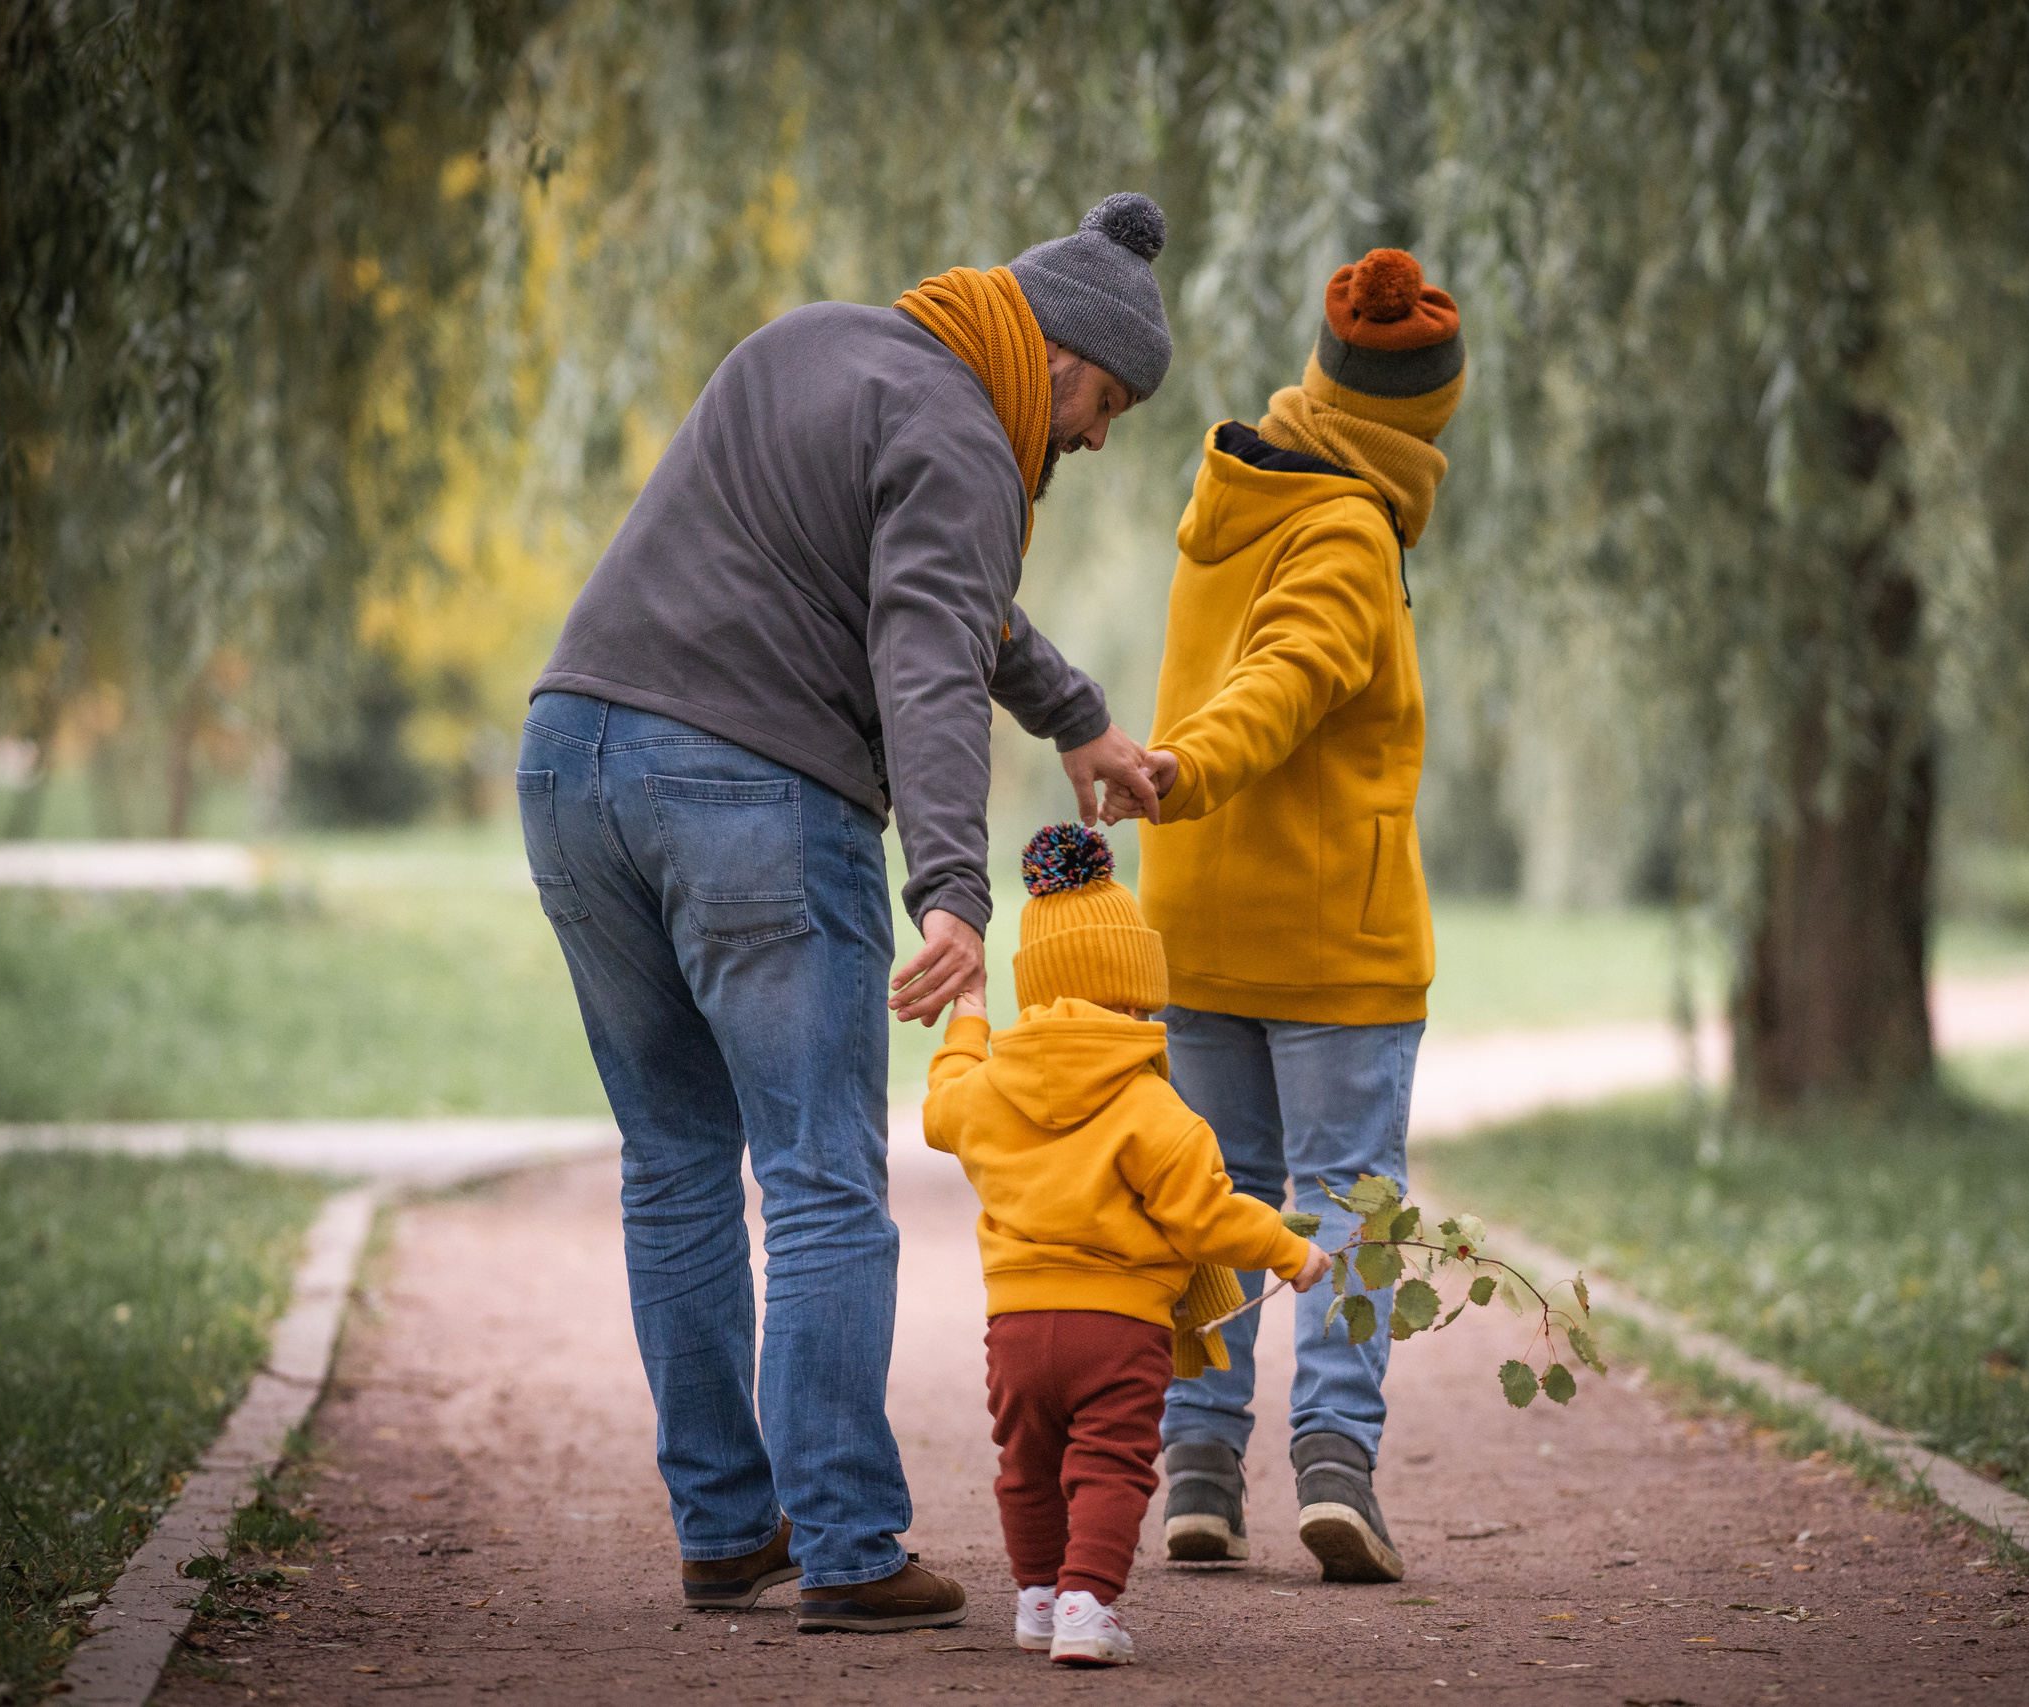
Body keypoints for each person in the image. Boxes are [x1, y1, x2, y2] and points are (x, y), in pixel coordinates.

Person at [515, 193, 1176, 1633]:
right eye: (1105, 405)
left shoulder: (811, 345)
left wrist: (1074, 715)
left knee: (674, 1161)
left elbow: (925, 590)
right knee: (819, 1172)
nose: (1092, 441)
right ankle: (848, 1546)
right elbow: (926, 648)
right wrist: (952, 887)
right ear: (1058, 359)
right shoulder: (966, 436)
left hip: (569, 760)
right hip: (749, 789)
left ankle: (725, 1528)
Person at [1130, 246, 1465, 1584]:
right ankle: (1334, 1464)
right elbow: (1291, 675)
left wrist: (1179, 782)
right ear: (1421, 419)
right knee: (1344, 1202)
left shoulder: (1236, 492)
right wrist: (1188, 768)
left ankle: (1200, 1473)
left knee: (1210, 1196)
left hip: (1197, 922)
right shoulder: (1348, 526)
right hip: (1330, 934)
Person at [924, 824, 1330, 1666]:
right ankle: (1087, 1603)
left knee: (1027, 1464)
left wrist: (969, 1019)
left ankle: (1038, 1598)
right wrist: (1289, 1251)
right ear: (1137, 995)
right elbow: (1207, 1215)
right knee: (1111, 1467)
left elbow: (941, 1103)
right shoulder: (1156, 1110)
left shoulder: (989, 1089)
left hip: (1017, 1328)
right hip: (1120, 1330)